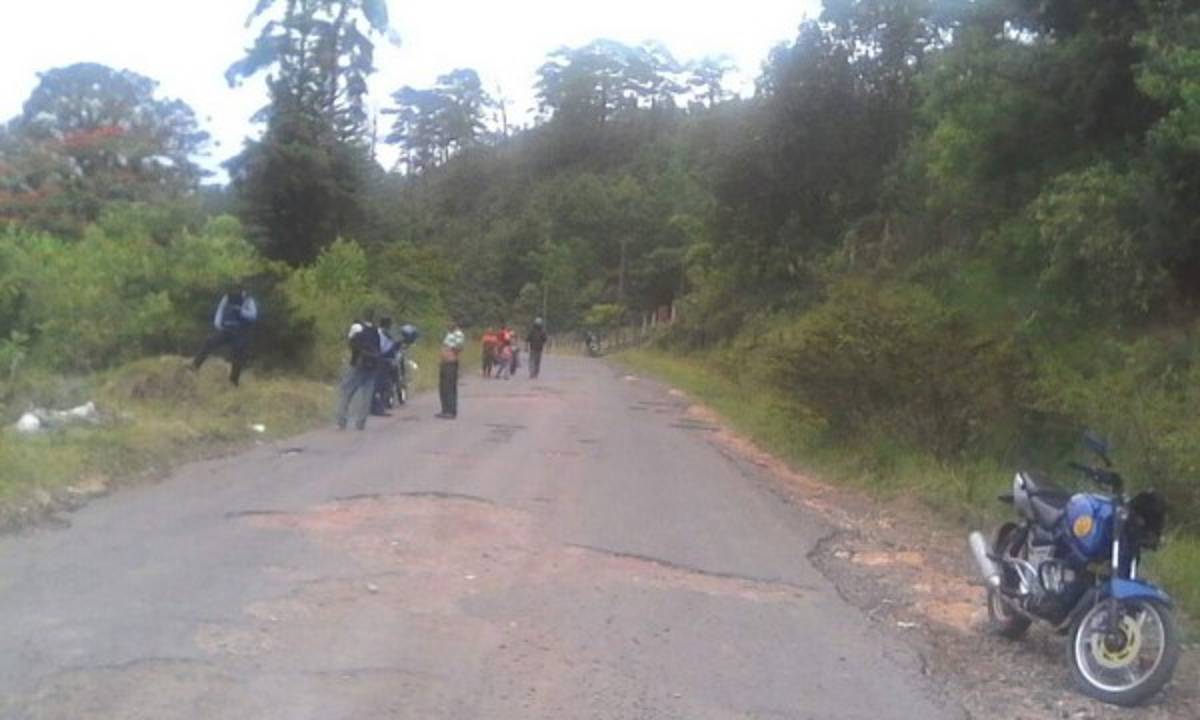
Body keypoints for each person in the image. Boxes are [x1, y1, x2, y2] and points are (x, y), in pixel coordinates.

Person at [192, 286, 259, 386]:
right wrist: (218, 324)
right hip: (227, 329)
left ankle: (233, 381)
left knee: (238, 354)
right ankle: (195, 366)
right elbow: (220, 310)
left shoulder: (249, 300)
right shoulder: (227, 297)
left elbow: (253, 315)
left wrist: (240, 311)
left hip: (240, 331)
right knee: (209, 342)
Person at [336, 310, 384, 430]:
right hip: (372, 365)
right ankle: (361, 421)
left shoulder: (357, 328)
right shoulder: (376, 331)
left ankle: (342, 419)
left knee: (347, 391)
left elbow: (351, 343)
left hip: (357, 364)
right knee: (367, 395)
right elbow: (379, 348)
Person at [437, 320, 466, 419]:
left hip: (450, 362)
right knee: (443, 387)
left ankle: (451, 411)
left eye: (451, 322)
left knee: (449, 387)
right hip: (444, 362)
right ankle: (445, 409)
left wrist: (450, 353)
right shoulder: (449, 334)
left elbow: (458, 347)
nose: (448, 324)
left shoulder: (458, 334)